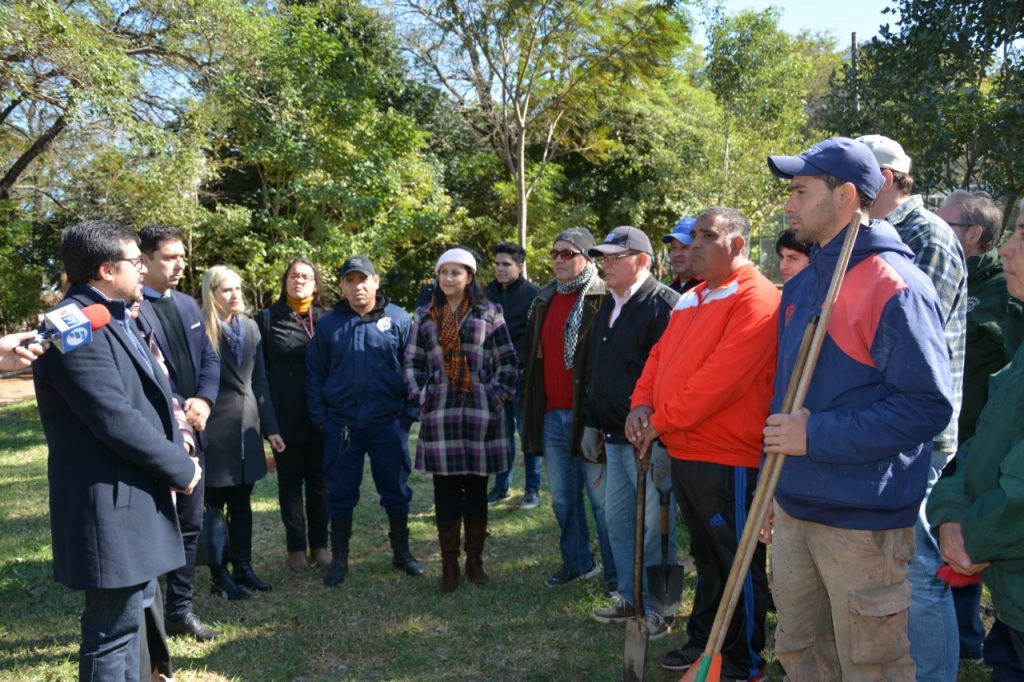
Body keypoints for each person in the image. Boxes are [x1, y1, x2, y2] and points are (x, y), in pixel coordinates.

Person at [763, 136, 953, 681]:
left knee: (873, 666)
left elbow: (925, 406)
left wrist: (815, 436)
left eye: (801, 191)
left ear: (845, 196)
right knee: (800, 653)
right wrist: (773, 484)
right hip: (796, 505)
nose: (789, 204)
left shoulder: (894, 284)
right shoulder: (806, 282)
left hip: (861, 520)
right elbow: (786, 397)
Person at [33, 220, 201, 680]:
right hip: (108, 503)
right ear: (107, 270)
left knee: (131, 624)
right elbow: (113, 417)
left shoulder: (110, 314)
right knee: (111, 633)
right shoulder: (72, 325)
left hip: (132, 496)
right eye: (134, 261)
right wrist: (179, 467)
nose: (143, 269)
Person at [626, 207, 777, 680]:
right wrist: (641, 404)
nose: (694, 246)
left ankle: (743, 660)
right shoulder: (693, 296)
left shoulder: (756, 297)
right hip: (686, 449)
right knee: (708, 558)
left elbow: (720, 382)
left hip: (728, 455)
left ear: (738, 244)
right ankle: (705, 641)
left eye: (707, 237)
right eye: (693, 237)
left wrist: (659, 421)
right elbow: (658, 357)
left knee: (736, 561)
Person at [858, 133, 967, 682]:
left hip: (920, 435)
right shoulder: (876, 235)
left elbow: (910, 343)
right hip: (886, 429)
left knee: (921, 572)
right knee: (892, 568)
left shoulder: (928, 236)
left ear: (883, 178)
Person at [928, 199, 1024, 682]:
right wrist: (949, 512)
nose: (1007, 249)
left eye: (1023, 236)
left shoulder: (999, 299)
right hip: (1011, 598)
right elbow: (987, 434)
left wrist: (970, 533)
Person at [583, 226, 679, 641]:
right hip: (613, 434)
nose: (604, 265)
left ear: (641, 260)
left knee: (655, 528)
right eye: (602, 258)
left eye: (613, 258)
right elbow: (599, 367)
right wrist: (592, 420)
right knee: (618, 522)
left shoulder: (664, 305)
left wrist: (658, 429)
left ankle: (659, 608)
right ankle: (629, 596)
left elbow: (672, 374)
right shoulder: (609, 302)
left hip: (650, 439)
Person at [305, 255, 423, 588]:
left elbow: (415, 368)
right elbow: (314, 375)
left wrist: (407, 417)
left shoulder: (399, 319)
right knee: (340, 492)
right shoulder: (328, 325)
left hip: (389, 424)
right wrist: (322, 420)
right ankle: (340, 559)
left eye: (363, 279)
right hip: (342, 426)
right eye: (350, 280)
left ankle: (402, 552)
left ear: (376, 281)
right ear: (342, 286)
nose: (357, 286)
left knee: (396, 490)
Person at [404, 247, 518, 592]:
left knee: (477, 491)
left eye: (456, 272)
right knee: (446, 492)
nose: (449, 278)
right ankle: (449, 565)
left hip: (482, 415)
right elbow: (412, 363)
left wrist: (493, 396)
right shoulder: (425, 315)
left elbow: (508, 361)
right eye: (444, 272)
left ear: (470, 277)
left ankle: (475, 561)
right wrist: (423, 397)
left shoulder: (489, 313)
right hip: (441, 415)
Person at [137, 224, 221, 641]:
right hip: (157, 436)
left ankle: (180, 610)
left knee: (190, 524)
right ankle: (144, 617)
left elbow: (210, 360)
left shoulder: (188, 305)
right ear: (145, 260)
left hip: (195, 432)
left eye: (182, 257)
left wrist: (204, 400)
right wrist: (179, 413)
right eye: (169, 257)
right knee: (153, 528)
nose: (179, 265)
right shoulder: (132, 311)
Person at [522, 228, 616, 592]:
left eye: (568, 253)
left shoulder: (603, 295)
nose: (559, 260)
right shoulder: (543, 299)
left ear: (587, 257)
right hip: (552, 415)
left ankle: (616, 575)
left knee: (603, 502)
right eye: (554, 253)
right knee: (562, 499)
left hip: (590, 417)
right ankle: (578, 563)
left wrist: (601, 414)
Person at [199, 266, 285, 598]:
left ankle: (243, 568)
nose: (235, 295)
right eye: (226, 289)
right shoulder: (201, 329)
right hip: (214, 429)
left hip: (247, 429)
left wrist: (271, 429)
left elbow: (260, 381)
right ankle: (219, 575)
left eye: (237, 288)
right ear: (212, 294)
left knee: (242, 503)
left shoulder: (250, 327)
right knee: (214, 505)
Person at [258, 258, 331, 573]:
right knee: (289, 483)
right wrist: (268, 423)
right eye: (293, 276)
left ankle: (321, 545)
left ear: (316, 284)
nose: (299, 280)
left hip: (321, 416)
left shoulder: (328, 319)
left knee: (320, 482)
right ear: (284, 281)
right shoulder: (267, 319)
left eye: (306, 276)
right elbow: (259, 375)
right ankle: (296, 548)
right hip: (285, 417)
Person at [484, 241, 542, 508]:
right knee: (500, 436)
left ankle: (532, 489)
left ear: (519, 266)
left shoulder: (534, 295)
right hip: (493, 378)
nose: (500, 269)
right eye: (497, 264)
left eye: (506, 264)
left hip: (522, 377)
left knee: (527, 434)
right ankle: (501, 486)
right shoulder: (485, 295)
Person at [663, 217, 701, 293]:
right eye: (673, 247)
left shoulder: (710, 288)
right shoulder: (667, 291)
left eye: (684, 247)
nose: (677, 254)